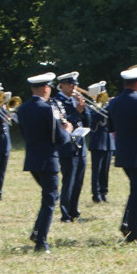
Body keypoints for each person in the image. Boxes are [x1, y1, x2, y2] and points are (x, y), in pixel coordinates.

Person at [17, 72, 73, 253]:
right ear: (46, 88)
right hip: (49, 159)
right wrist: (68, 131)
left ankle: (37, 231)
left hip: (32, 158)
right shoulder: (48, 109)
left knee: (50, 196)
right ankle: (41, 240)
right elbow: (59, 137)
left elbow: (24, 134)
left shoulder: (23, 108)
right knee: (50, 198)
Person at [106, 64, 137, 243]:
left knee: (136, 191)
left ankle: (127, 223)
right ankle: (133, 232)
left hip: (123, 152)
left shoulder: (114, 102)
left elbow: (110, 126)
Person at [54, 72, 91, 222]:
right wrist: (77, 112)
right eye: (70, 85)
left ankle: (74, 210)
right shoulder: (57, 102)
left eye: (75, 84)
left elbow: (88, 122)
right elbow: (64, 124)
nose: (74, 88)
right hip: (67, 145)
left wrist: (84, 109)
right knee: (69, 181)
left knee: (78, 181)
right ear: (62, 85)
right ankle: (65, 213)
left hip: (80, 144)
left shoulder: (76, 100)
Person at [88, 81, 113, 203]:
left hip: (108, 141)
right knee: (97, 169)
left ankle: (104, 191)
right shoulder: (91, 106)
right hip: (98, 142)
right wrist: (106, 105)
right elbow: (94, 118)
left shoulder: (106, 105)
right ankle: (96, 193)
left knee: (105, 169)